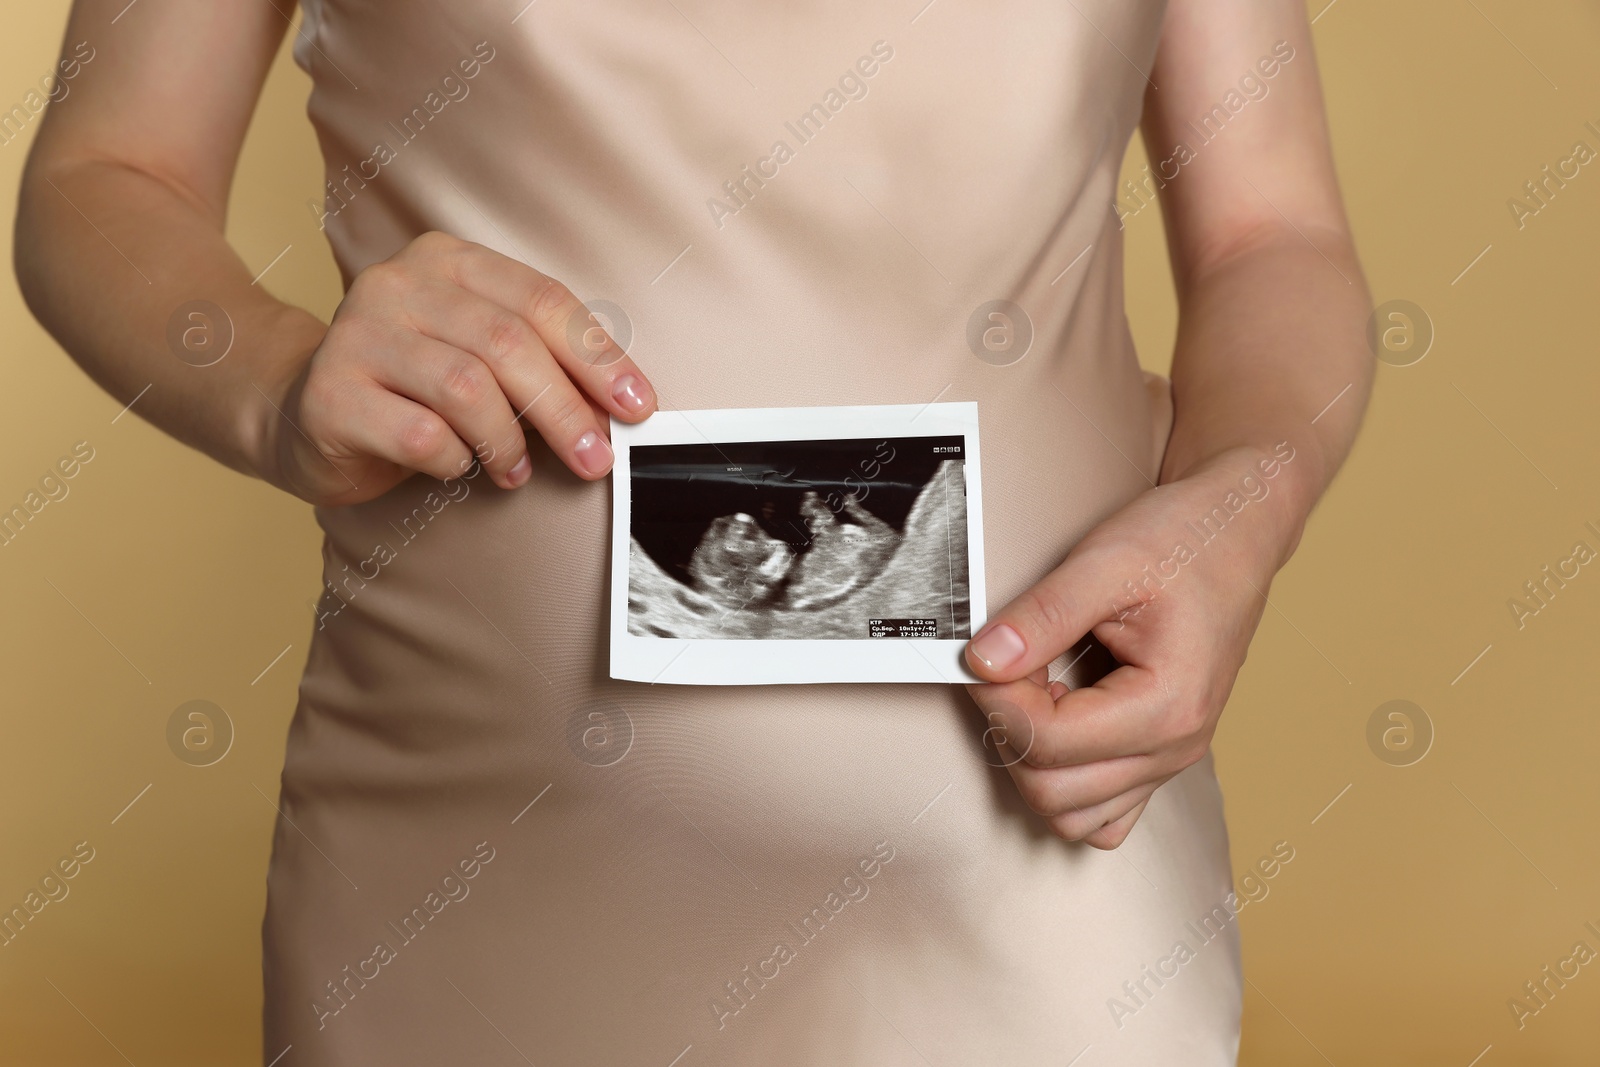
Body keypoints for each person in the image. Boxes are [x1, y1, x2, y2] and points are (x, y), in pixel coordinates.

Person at [14, 0, 1372, 1062]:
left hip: (1044, 866)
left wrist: (1241, 512)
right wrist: (266, 382)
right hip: (470, 897)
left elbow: (1274, 232)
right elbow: (103, 169)